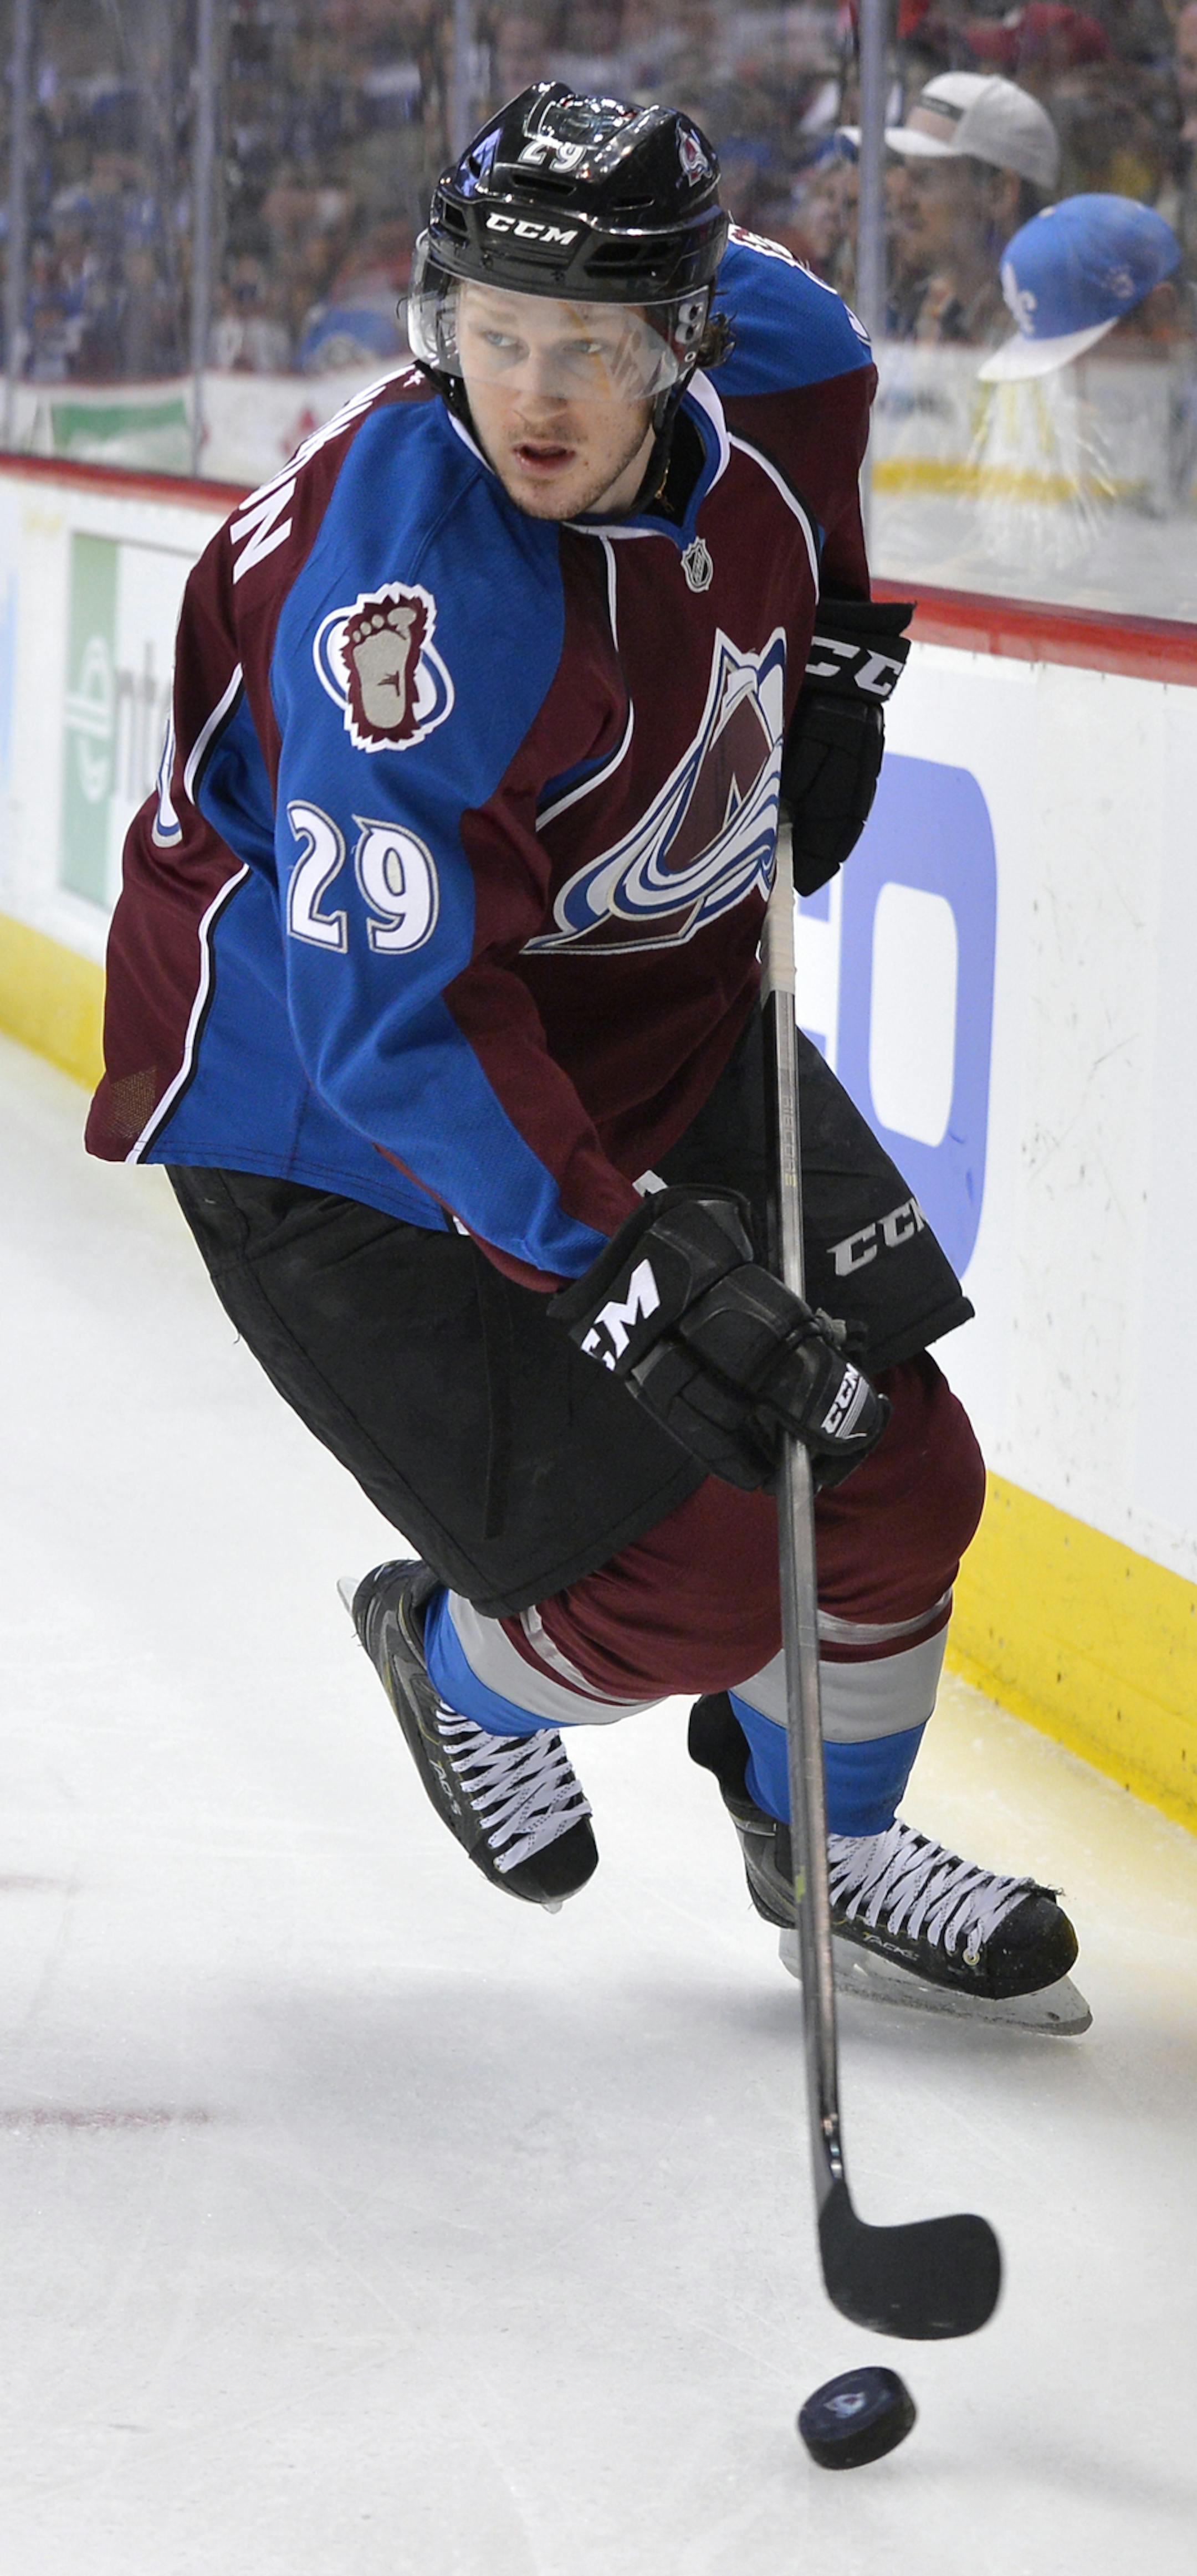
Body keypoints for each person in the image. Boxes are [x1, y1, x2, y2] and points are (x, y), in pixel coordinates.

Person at [85, 83, 1080, 2015]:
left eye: (594, 350)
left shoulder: (761, 358)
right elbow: (399, 1015)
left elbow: (830, 371)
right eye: (497, 337)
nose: (535, 390)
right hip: (342, 1112)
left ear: (682, 340)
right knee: (699, 1568)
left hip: (653, 1004)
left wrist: (850, 635)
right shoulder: (405, 612)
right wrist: (618, 1270)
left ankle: (836, 1852)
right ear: (440, 317)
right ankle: (453, 1663)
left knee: (900, 1480)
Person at [882, 69, 1060, 345]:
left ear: (999, 194)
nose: (900, 200)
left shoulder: (1042, 333)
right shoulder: (934, 307)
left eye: (925, 177)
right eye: (904, 171)